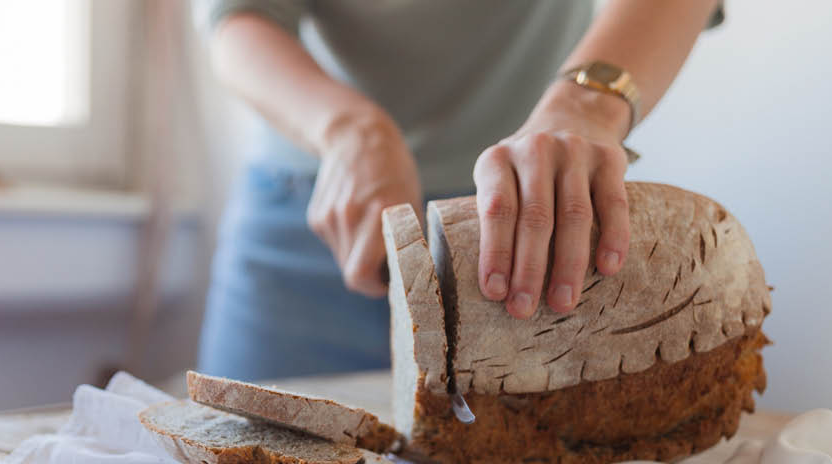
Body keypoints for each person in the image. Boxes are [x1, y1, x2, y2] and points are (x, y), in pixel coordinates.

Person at [195, 0, 722, 381]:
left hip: (530, 225)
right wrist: (349, 130)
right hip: (314, 218)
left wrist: (583, 107)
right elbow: (240, 15)